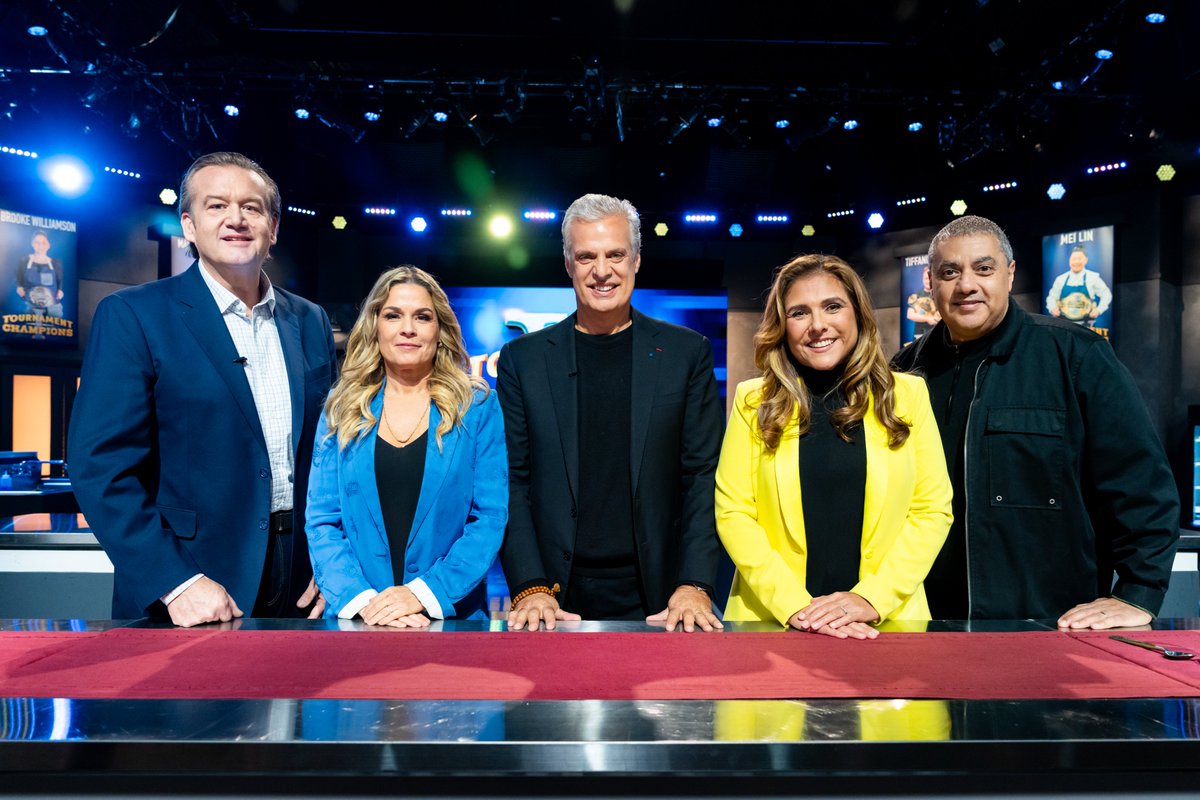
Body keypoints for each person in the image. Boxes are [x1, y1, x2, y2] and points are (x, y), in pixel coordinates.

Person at [69, 151, 337, 626]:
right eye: (216, 206)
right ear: (189, 226)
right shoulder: (134, 316)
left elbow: (330, 453)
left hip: (302, 579)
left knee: (294, 703)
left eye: (252, 207)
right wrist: (176, 581)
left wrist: (332, 559)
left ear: (273, 228)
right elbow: (100, 469)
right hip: (190, 584)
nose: (236, 218)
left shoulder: (309, 319)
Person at [892, 215, 1179, 628]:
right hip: (926, 626)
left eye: (984, 268)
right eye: (949, 272)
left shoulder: (1076, 356)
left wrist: (1138, 593)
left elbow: (1141, 483)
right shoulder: (901, 374)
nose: (966, 284)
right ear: (929, 282)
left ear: (1009, 275)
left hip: (1050, 627)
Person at [497, 193, 725, 632]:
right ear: (568, 264)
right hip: (553, 596)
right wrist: (529, 584)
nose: (602, 271)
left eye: (615, 254)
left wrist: (695, 582)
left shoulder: (686, 353)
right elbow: (512, 480)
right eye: (586, 256)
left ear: (636, 259)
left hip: (663, 597)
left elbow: (702, 477)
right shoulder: (522, 360)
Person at [716, 254, 952, 639]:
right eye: (799, 313)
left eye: (832, 307)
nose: (818, 325)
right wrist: (796, 606)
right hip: (773, 624)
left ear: (857, 314)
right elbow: (734, 513)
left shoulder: (908, 396)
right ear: (782, 325)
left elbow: (933, 510)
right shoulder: (751, 402)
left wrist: (871, 599)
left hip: (886, 624)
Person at [305, 266, 507, 625]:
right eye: (393, 315)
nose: (408, 328)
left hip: (450, 619)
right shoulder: (342, 406)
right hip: (359, 620)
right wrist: (363, 601)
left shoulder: (477, 408)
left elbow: (488, 519)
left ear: (439, 329)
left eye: (423, 317)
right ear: (375, 326)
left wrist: (422, 594)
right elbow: (322, 520)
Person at [1045, 245, 1112, 327]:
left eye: (1079, 259)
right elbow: (1051, 297)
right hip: (1064, 325)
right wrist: (1052, 308)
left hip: (1086, 325)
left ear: (1086, 260)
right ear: (1069, 260)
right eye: (1074, 259)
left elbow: (1106, 293)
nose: (1076, 262)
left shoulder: (1093, 277)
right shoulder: (1060, 279)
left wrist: (1099, 310)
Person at [16, 230, 65, 319]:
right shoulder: (24, 261)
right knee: (28, 330)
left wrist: (59, 293)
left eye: (44, 243)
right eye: (37, 242)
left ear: (49, 245)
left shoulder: (56, 263)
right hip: (29, 306)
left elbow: (60, 287)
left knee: (53, 330)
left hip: (52, 308)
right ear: (32, 244)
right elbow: (19, 284)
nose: (40, 245)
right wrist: (22, 293)